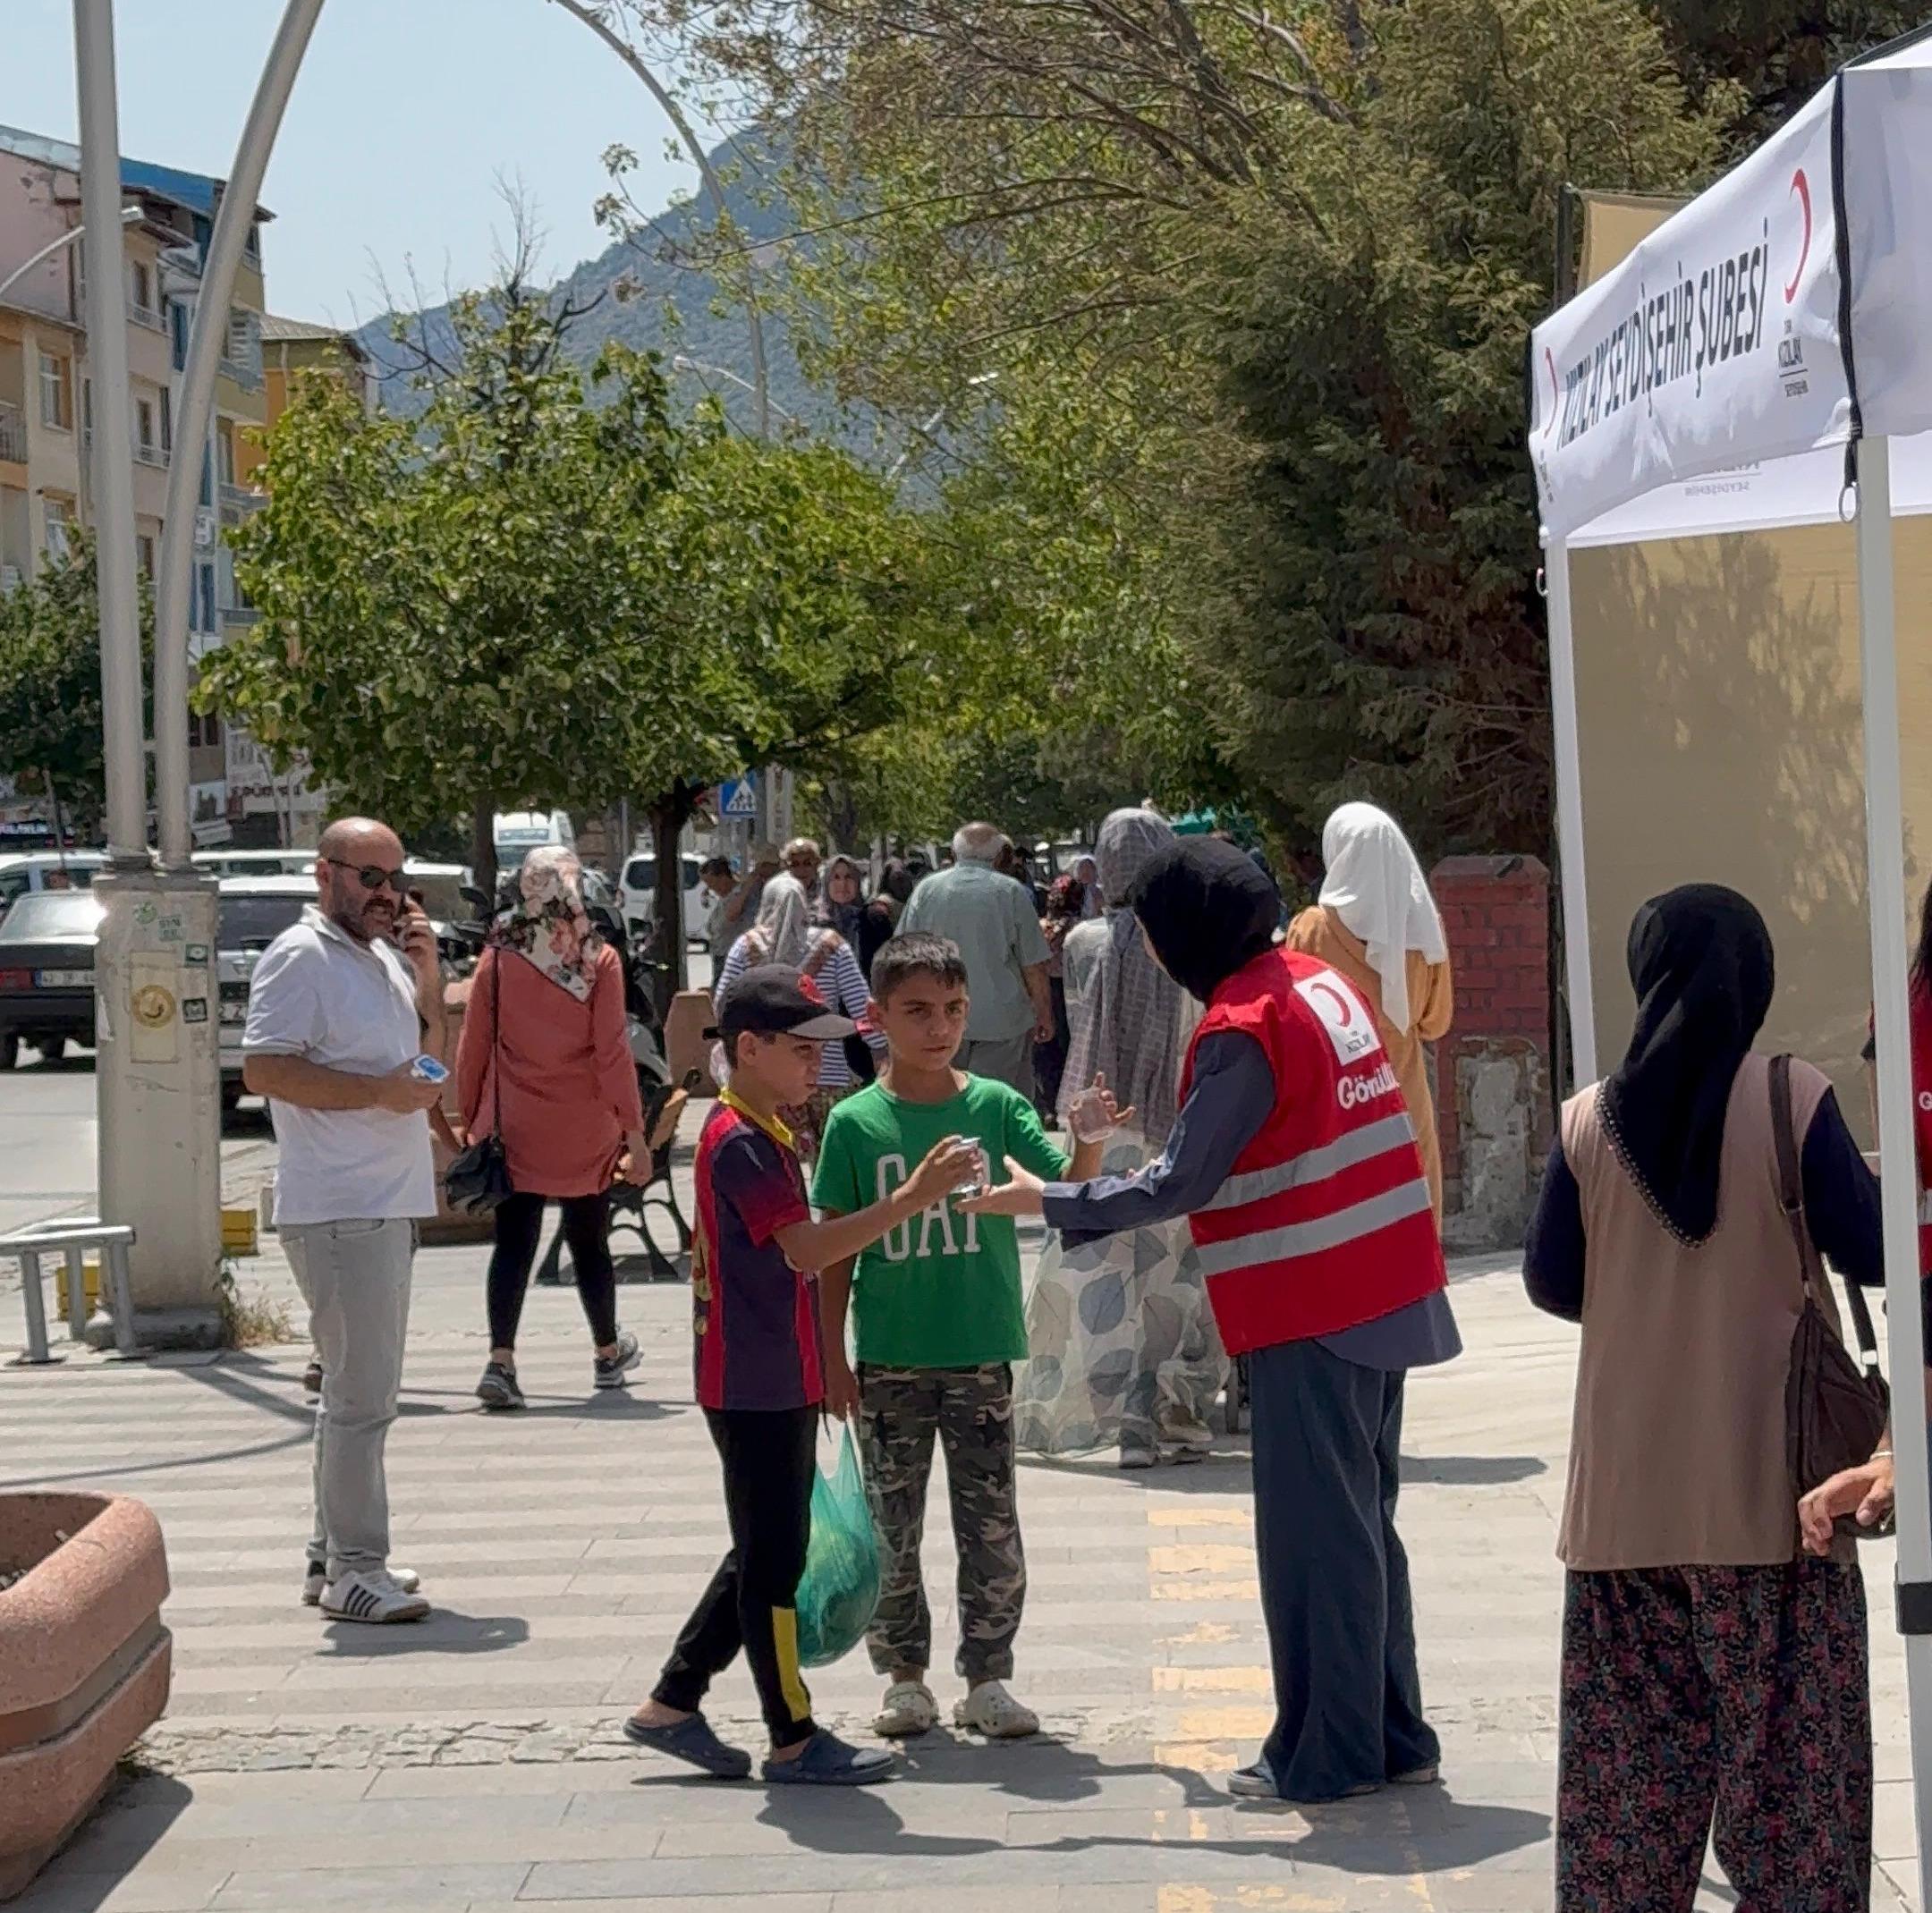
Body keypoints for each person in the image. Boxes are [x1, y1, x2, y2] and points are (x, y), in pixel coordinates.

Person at [962, 837, 1457, 1802]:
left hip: (1312, 1299)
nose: (1145, 947)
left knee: (1315, 1542)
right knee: (1363, 1528)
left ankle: (1329, 1755)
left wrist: (1049, 1202)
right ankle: (1394, 1733)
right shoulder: (1320, 983)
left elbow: (1184, 1177)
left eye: (1147, 930)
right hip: (1385, 1284)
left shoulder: (1242, 1024)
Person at [1522, 884, 1889, 1912]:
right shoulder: (1791, 1098)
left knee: (1625, 1827)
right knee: (1794, 1824)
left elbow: (1551, 1281)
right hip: (1778, 1518)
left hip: (1622, 1526)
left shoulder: (1589, 1121)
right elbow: (1872, 1250)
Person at [624, 967, 979, 1785]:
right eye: (800, 1048)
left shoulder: (765, 1127)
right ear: (747, 1048)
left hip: (773, 1373)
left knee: (760, 1550)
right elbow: (809, 1251)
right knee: (773, 1563)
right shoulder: (742, 1140)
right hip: (751, 1382)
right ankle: (792, 1732)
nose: (816, 1065)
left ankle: (672, 1701)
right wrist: (915, 1194)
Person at [813, 934, 1119, 1742]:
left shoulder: (992, 1104)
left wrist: (1089, 1139)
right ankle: (903, 1676)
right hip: (888, 1358)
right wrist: (829, 1356)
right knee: (892, 1524)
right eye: (917, 1011)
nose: (938, 1026)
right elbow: (834, 1248)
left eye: (951, 1009)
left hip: (981, 1351)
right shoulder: (854, 1122)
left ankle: (988, 1675)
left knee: (991, 1523)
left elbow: (1064, 1183)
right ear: (876, 1017)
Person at [242, 817, 446, 1626]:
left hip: (382, 1200)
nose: (387, 895)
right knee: (362, 1399)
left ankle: (333, 1554)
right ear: (323, 873)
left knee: (351, 1395)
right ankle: (356, 1567)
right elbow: (263, 1066)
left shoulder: (378, 956)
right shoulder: (300, 956)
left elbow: (423, 1064)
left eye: (397, 879)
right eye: (369, 877)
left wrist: (427, 979)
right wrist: (379, 1094)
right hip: (339, 1205)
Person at [1015, 809, 1227, 1467]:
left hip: (1103, 1132)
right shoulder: (1198, 940)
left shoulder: (1084, 940)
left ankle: (1129, 1421)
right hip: (1182, 1126)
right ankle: (1183, 1413)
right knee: (1184, 1280)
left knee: (1110, 1283)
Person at [456, 848, 652, 1410]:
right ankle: (608, 1351)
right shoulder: (600, 960)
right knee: (588, 1238)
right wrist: (633, 1133)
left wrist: (471, 1117)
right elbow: (613, 1053)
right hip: (583, 1125)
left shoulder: (498, 955)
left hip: (516, 1122)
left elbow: (474, 1042)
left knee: (513, 1240)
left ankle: (501, 1360)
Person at [1286, 802, 1454, 1219]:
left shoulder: (1311, 928)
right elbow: (1436, 1022)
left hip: (1335, 1106)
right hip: (1406, 1102)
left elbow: (1293, 1024)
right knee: (1414, 1238)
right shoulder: (1423, 928)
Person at [716, 874, 878, 1154]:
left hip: (769, 1080)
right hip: (830, 1075)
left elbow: (722, 1005)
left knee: (774, 1162)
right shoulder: (833, 945)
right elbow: (861, 1006)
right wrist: (880, 1052)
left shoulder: (745, 947)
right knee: (830, 1168)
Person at [898, 822, 1055, 1096]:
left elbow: (903, 955)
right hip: (1002, 1022)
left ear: (954, 853)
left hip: (940, 1018)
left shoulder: (926, 890)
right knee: (994, 1104)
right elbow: (1034, 964)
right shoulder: (1011, 892)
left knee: (944, 1103)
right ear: (998, 855)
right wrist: (1044, 1012)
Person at [1031, 875, 1084, 1121]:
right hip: (1072, 992)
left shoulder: (1039, 927)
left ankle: (1049, 1103)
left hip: (1044, 989)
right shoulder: (1080, 928)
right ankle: (1069, 1101)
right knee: (1069, 1046)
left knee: (1045, 1050)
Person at [711, 844, 780, 970]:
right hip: (750, 950)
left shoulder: (785, 886)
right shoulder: (749, 888)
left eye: (770, 865)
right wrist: (748, 885)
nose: (766, 869)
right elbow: (731, 915)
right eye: (762, 865)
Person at [857, 858, 916, 979]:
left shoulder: (910, 905)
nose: (901, 884)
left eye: (903, 879)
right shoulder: (878, 910)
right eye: (897, 879)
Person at [816, 853, 867, 944]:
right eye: (836, 877)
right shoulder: (816, 924)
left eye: (848, 877)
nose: (842, 884)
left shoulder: (871, 920)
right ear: (827, 883)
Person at [699, 856, 739, 968]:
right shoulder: (721, 898)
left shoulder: (738, 897)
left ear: (723, 877)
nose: (711, 888)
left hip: (731, 955)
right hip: (719, 953)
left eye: (712, 883)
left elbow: (724, 923)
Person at [784, 836, 823, 902]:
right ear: (788, 868)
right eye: (795, 864)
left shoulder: (826, 892)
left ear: (816, 865)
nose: (801, 869)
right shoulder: (782, 893)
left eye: (807, 863)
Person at [1072, 853, 1102, 919]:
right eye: (1082, 867)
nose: (1085, 872)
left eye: (1088, 868)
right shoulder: (1078, 889)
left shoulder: (1099, 888)